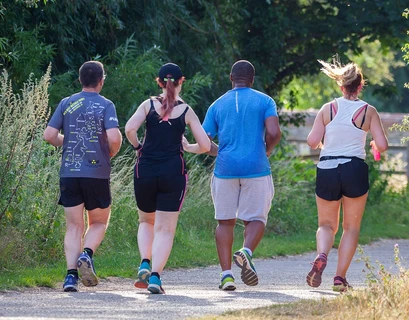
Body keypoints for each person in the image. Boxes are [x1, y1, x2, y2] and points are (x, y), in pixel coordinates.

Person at [125, 63, 211, 294]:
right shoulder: (187, 111)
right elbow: (204, 146)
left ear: (160, 82)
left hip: (145, 170)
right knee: (165, 229)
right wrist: (188, 147)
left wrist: (137, 147)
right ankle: (155, 278)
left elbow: (129, 129)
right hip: (173, 173)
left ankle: (144, 261)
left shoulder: (148, 105)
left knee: (146, 221)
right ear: (181, 81)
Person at [306, 58, 388, 292]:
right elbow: (382, 145)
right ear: (360, 86)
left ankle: (321, 254)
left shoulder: (327, 109)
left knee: (326, 224)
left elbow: (312, 141)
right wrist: (373, 144)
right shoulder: (368, 111)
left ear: (341, 86)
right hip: (354, 168)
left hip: (328, 168)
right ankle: (339, 279)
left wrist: (325, 141)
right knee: (350, 228)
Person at [201, 60, 282, 291]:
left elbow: (205, 142)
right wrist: (265, 149)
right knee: (256, 218)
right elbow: (274, 132)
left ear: (230, 78)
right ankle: (245, 251)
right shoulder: (265, 101)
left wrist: (221, 152)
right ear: (252, 79)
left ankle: (226, 276)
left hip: (225, 169)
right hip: (256, 167)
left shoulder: (217, 105)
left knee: (224, 221)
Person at [43, 61, 123, 292]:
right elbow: (114, 137)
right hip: (96, 173)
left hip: (69, 172)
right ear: (101, 80)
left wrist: (66, 142)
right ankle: (86, 254)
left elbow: (49, 135)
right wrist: (110, 153)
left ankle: (70, 278)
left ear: (80, 80)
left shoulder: (66, 103)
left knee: (73, 227)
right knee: (98, 222)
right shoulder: (106, 105)